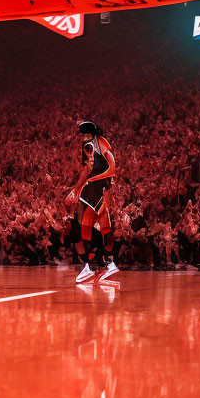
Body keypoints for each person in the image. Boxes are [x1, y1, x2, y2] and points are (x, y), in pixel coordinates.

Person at [65, 121, 119, 283]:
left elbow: (111, 167)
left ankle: (101, 265)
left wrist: (93, 180)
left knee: (102, 226)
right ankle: (100, 265)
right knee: (91, 225)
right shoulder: (90, 147)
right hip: (93, 190)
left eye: (85, 134)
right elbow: (87, 169)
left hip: (99, 189)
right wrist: (76, 189)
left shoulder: (100, 143)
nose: (83, 138)